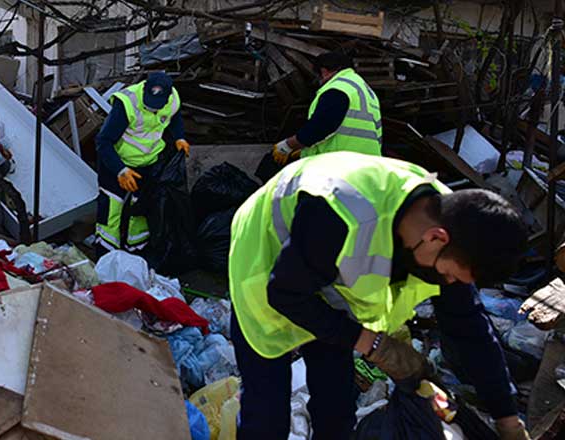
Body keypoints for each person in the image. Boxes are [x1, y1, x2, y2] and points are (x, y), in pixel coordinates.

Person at [228, 152, 530, 440]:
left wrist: (507, 416)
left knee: (336, 409)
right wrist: (376, 346)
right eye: (450, 274)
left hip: (325, 277)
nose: (449, 283)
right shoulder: (340, 214)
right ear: (435, 238)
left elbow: (469, 327)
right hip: (268, 261)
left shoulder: (457, 223)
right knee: (266, 415)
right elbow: (285, 294)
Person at [93, 72, 189, 254]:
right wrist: (120, 170)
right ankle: (106, 255)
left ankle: (136, 252)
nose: (152, 108)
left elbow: (175, 118)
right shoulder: (127, 103)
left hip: (148, 164)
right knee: (111, 210)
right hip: (117, 163)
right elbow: (103, 142)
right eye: (149, 103)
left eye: (157, 106)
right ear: (144, 89)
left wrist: (179, 137)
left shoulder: (173, 98)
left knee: (141, 209)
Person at [270, 52, 382, 165]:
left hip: (340, 165)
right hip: (366, 166)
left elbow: (321, 126)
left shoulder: (338, 88)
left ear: (324, 71)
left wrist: (287, 145)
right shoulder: (364, 90)